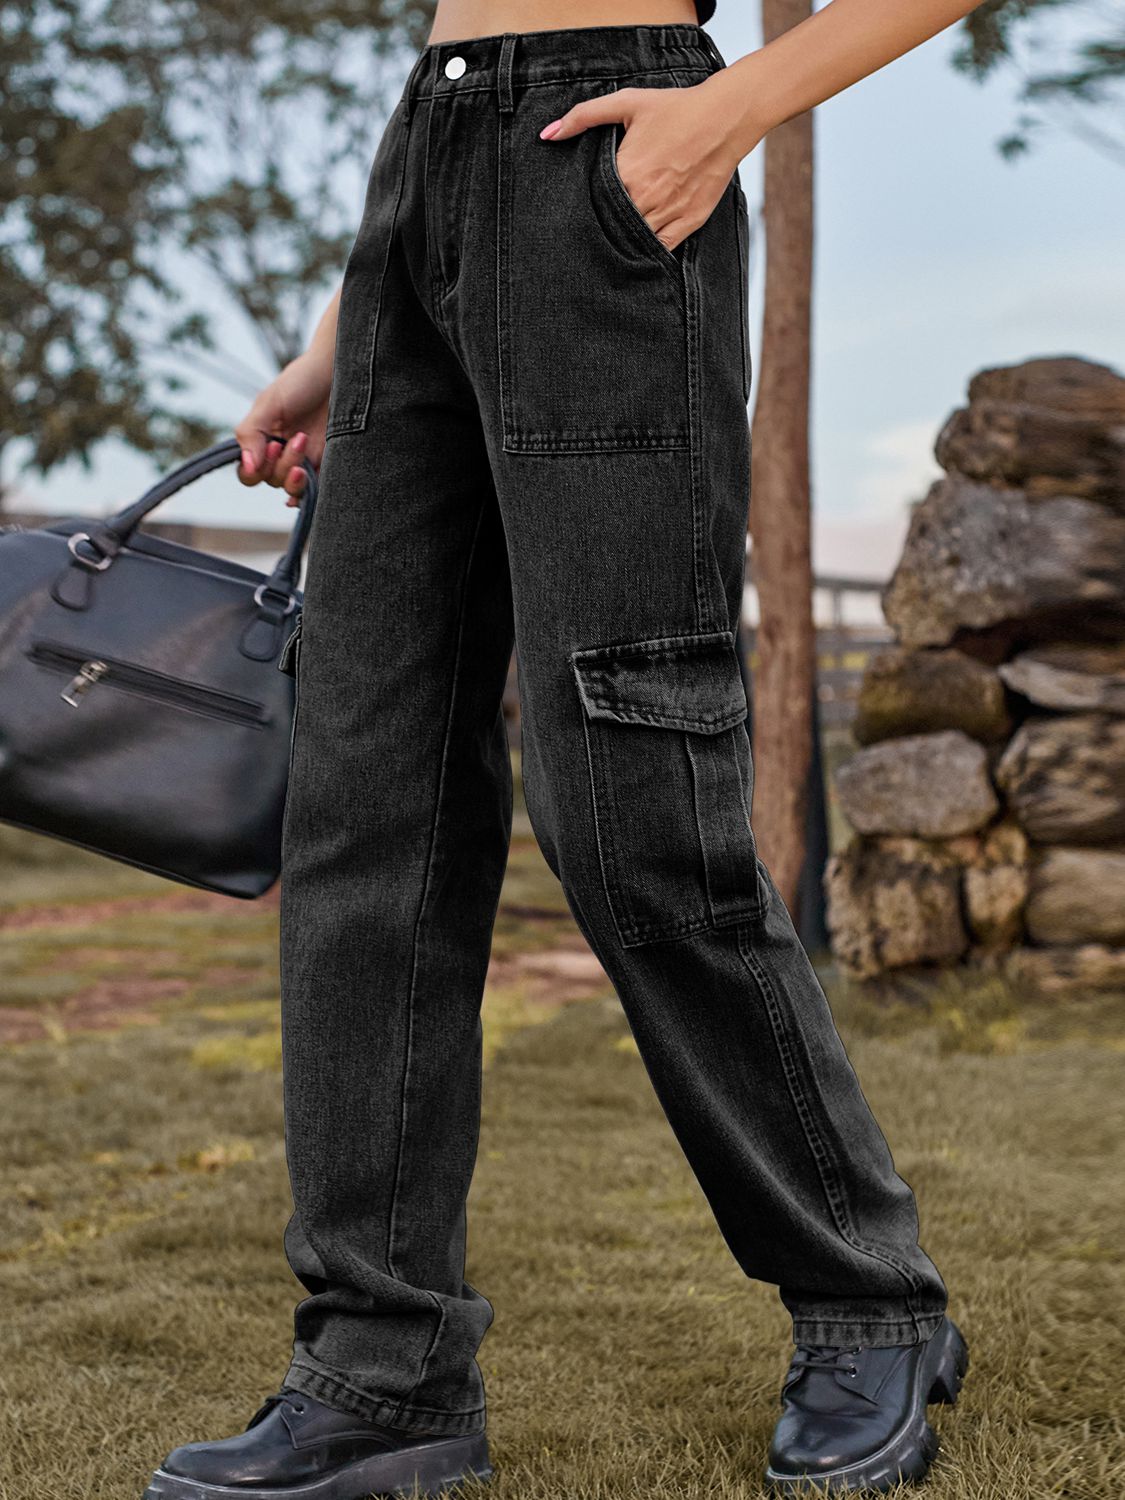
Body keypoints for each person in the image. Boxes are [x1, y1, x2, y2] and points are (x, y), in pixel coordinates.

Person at [145, 1, 978, 1495]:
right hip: (424, 165)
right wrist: (345, 333)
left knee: (628, 802)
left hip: (615, 145)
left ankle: (868, 1297)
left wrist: (731, 111)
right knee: (359, 821)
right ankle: (378, 1369)